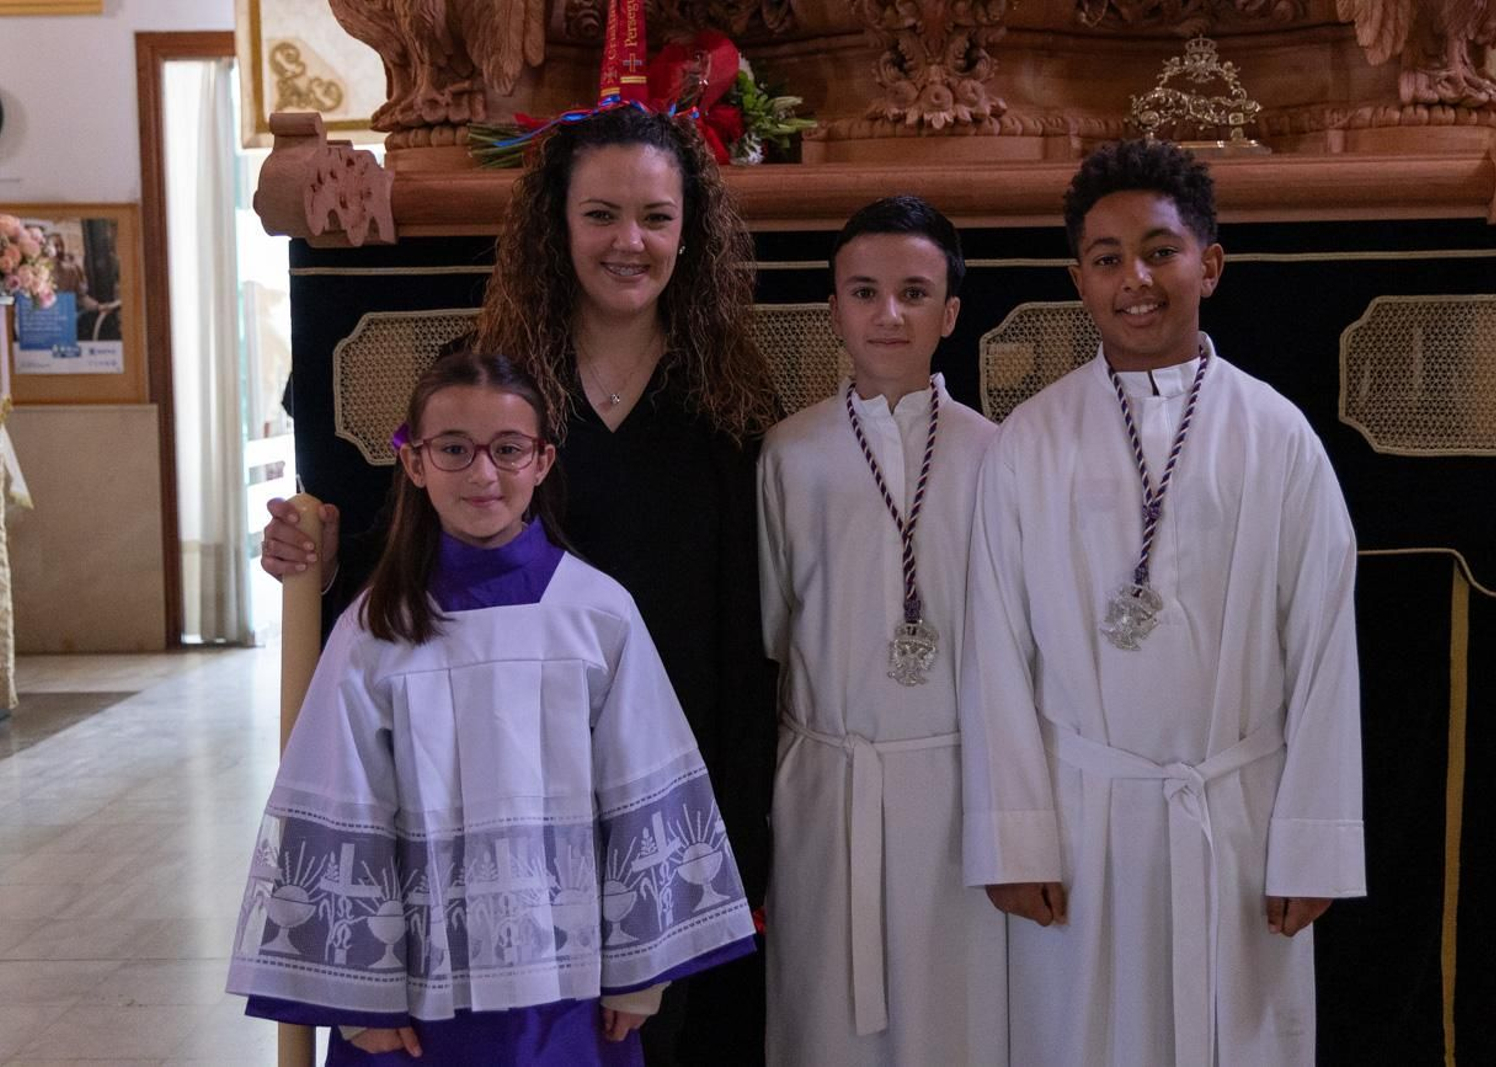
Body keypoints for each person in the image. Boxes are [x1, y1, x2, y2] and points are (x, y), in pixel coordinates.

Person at [259, 105, 778, 1063]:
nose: (629, 241)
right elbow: (411, 557)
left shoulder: (729, 398)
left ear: (689, 231)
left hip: (662, 801)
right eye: (600, 214)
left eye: (656, 217)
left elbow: (747, 635)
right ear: (556, 223)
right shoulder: (492, 387)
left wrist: (743, 840)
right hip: (488, 800)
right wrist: (323, 561)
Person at [228, 348, 757, 1065]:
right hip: (415, 992)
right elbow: (341, 796)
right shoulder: (377, 626)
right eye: (454, 449)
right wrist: (357, 1001)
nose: (483, 474)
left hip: (568, 983)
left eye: (508, 449)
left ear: (542, 461)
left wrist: (643, 974)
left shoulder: (597, 613)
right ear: (414, 462)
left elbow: (643, 783)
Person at [959, 139, 1366, 1065]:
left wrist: (1312, 843)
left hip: (1238, 821)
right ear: (1079, 280)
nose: (1134, 280)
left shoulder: (1277, 436)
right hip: (1082, 825)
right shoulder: (1030, 441)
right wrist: (1014, 839)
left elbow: (1323, 646)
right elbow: (996, 649)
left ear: (1208, 265)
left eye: (1159, 251)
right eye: (1107, 259)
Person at [758, 196, 1005, 1065]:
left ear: (951, 312)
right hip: (830, 785)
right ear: (834, 309)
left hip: (958, 788)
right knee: (826, 1022)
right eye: (864, 292)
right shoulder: (789, 454)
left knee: (959, 1021)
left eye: (914, 292)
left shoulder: (995, 454)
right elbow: (775, 630)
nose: (888, 314)